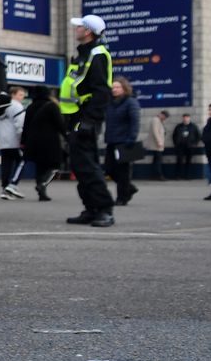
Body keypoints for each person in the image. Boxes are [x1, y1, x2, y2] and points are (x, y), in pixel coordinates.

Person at [59, 14, 114, 227]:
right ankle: (91, 208)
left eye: (80, 26)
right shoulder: (82, 55)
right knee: (80, 166)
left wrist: (90, 121)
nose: (76, 29)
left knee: (88, 166)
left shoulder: (97, 54)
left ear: (88, 31)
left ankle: (104, 209)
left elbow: (102, 91)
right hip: (75, 118)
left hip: (85, 118)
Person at [20, 85, 66, 202]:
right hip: (50, 141)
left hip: (33, 141)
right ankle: (43, 184)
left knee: (39, 167)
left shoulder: (30, 107)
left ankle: (42, 193)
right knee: (55, 165)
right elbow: (60, 124)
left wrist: (23, 142)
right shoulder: (52, 106)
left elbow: (25, 126)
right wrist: (67, 136)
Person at [104, 77, 141, 207]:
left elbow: (134, 122)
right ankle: (129, 188)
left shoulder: (131, 102)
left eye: (117, 87)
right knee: (109, 169)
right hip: (111, 141)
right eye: (113, 87)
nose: (114, 90)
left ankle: (122, 197)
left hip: (124, 142)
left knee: (123, 172)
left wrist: (132, 138)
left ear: (125, 88)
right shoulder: (110, 103)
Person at [0, 86, 27, 200]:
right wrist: (22, 139)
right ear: (12, 95)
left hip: (3, 142)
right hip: (15, 141)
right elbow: (20, 124)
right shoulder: (17, 106)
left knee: (6, 165)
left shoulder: (0, 107)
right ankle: (12, 185)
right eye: (20, 95)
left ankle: (4, 189)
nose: (22, 98)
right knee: (22, 161)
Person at [172, 112, 200, 180]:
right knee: (179, 161)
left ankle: (188, 176)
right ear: (182, 118)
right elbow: (174, 135)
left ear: (189, 118)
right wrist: (176, 143)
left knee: (188, 161)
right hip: (180, 146)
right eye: (184, 118)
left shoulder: (193, 126)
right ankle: (178, 176)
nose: (185, 119)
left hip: (190, 147)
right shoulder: (178, 126)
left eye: (187, 118)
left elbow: (198, 136)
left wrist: (195, 144)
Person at [148, 110, 168, 180]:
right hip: (156, 145)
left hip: (157, 145)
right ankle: (158, 175)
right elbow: (155, 131)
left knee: (156, 160)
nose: (164, 119)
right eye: (165, 117)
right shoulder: (156, 120)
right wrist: (159, 142)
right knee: (158, 161)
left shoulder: (159, 121)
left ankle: (153, 175)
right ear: (162, 115)